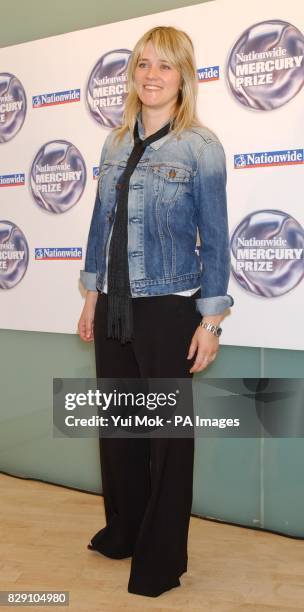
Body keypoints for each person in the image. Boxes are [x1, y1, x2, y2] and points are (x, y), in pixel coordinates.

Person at [78, 25, 233, 597]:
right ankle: (125, 530)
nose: (151, 75)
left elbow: (216, 241)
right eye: (143, 64)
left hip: (169, 306)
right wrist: (92, 295)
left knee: (168, 437)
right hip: (115, 304)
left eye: (164, 66)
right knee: (119, 429)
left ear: (183, 76)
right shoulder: (114, 143)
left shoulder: (201, 147)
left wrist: (210, 321)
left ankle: (161, 560)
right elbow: (101, 227)